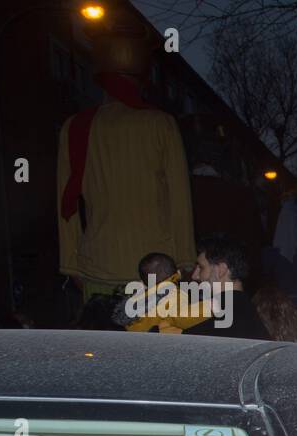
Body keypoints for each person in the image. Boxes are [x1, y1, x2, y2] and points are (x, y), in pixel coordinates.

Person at [57, 30, 195, 325]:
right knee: (156, 357)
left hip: (98, 265)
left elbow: (65, 202)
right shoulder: (161, 124)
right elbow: (180, 199)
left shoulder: (76, 127)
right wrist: (184, 260)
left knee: (104, 358)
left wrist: (71, 263)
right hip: (156, 270)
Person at [159, 235, 269, 340]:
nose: (194, 275)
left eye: (201, 268)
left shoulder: (209, 319)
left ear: (221, 270)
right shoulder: (254, 314)